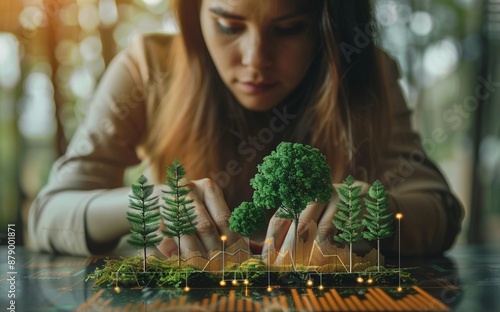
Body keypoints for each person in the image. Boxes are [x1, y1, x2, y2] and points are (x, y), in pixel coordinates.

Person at [28, 0, 463, 259]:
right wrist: (148, 205)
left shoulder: (365, 74)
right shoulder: (148, 68)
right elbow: (46, 216)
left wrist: (372, 210)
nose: (256, 59)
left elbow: (440, 210)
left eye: (289, 28)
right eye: (228, 25)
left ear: (326, 25)